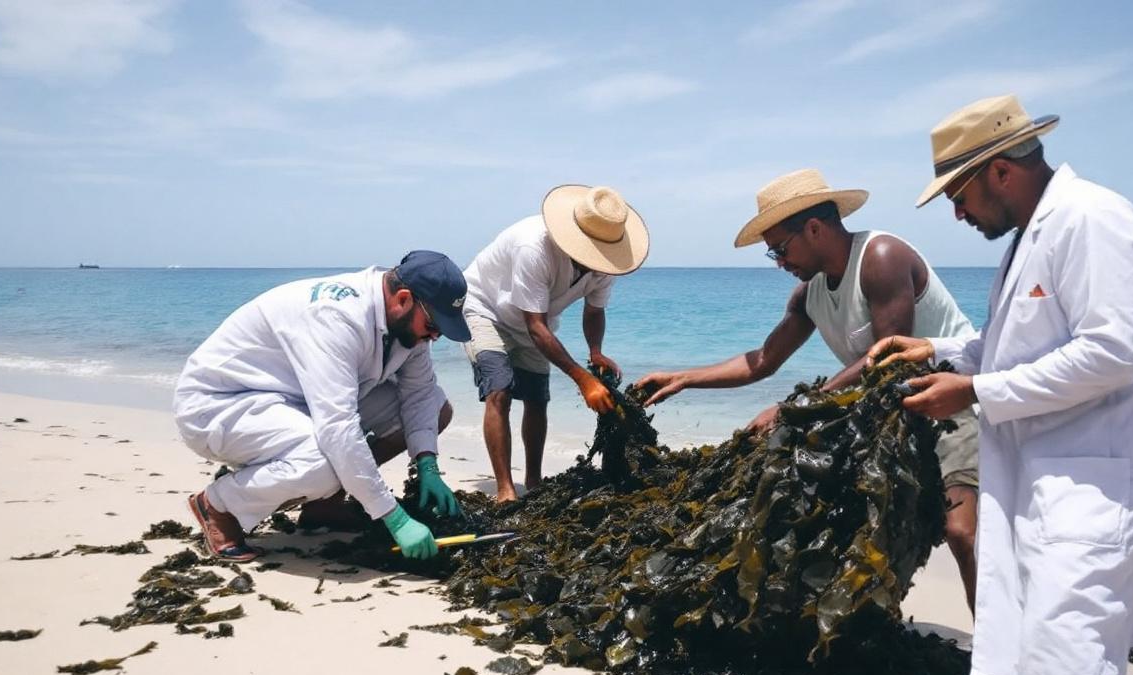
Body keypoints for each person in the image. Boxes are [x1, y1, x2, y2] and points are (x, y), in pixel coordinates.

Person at [868, 94, 1133, 675]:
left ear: (1000, 172)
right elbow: (1016, 343)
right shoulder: (1032, 234)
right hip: (1053, 461)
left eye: (959, 194)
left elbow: (1111, 353)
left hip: (1103, 467)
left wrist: (975, 390)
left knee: (1077, 632)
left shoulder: (1092, 220)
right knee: (1043, 608)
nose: (956, 212)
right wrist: (942, 354)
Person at [637, 168, 983, 613]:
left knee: (961, 531)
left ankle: (992, 663)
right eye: (773, 255)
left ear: (815, 228)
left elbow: (883, 359)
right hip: (893, 422)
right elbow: (763, 360)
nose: (780, 262)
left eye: (781, 249)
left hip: (952, 404)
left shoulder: (881, 257)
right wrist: (684, 377)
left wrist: (791, 408)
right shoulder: (809, 295)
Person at [173, 250, 474, 562]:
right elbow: (338, 429)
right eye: (433, 324)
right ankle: (218, 505)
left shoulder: (406, 325)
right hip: (224, 404)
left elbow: (420, 395)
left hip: (297, 398)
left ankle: (325, 504)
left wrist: (427, 465)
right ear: (402, 299)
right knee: (324, 463)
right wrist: (392, 516)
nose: (436, 335)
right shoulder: (336, 316)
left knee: (438, 408)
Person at [461, 185, 649, 502]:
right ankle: (505, 489)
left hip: (536, 322)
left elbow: (594, 310)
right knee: (500, 390)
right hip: (485, 309)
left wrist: (595, 352)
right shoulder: (533, 247)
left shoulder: (605, 266)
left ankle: (533, 481)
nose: (600, 263)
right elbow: (535, 326)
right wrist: (582, 378)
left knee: (537, 398)